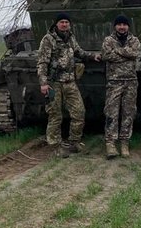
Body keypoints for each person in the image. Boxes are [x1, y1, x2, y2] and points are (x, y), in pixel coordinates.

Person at [37, 12, 101, 157]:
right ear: (56, 24)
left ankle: (74, 141)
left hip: (70, 81)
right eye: (62, 22)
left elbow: (79, 52)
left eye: (66, 22)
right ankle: (55, 146)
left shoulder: (70, 37)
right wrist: (43, 83)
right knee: (55, 115)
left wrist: (93, 56)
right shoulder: (48, 39)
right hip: (54, 83)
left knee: (79, 112)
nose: (64, 24)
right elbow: (42, 62)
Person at [100, 14, 141, 159]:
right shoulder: (108, 40)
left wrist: (116, 51)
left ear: (128, 26)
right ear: (115, 26)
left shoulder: (134, 40)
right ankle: (110, 143)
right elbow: (106, 56)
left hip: (130, 81)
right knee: (111, 112)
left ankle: (124, 142)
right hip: (114, 81)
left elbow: (135, 53)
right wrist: (126, 54)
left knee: (128, 113)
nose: (122, 27)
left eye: (124, 24)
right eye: (119, 24)